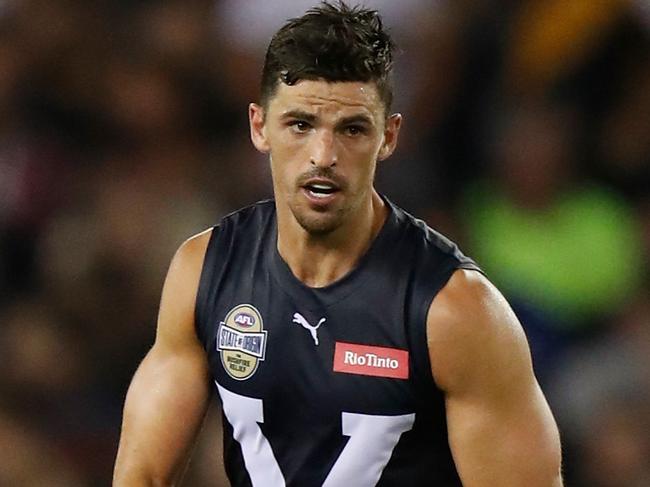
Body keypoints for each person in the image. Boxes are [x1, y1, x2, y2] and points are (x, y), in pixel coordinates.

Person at [113, 2, 563, 486]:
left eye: (352, 129)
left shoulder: (455, 311)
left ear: (388, 137)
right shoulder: (204, 271)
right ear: (259, 126)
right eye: (300, 125)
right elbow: (141, 474)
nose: (324, 156)